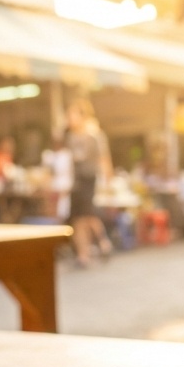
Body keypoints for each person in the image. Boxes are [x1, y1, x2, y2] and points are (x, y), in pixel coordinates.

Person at [65, 99, 112, 265]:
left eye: (71, 114)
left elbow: (104, 159)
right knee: (78, 219)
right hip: (75, 182)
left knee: (86, 217)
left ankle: (100, 244)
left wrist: (107, 182)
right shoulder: (70, 137)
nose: (68, 118)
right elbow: (69, 161)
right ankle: (85, 253)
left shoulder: (94, 135)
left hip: (89, 180)